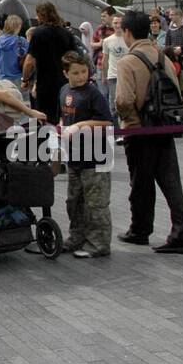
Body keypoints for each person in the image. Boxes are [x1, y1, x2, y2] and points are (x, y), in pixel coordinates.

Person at [116, 10, 183, 255]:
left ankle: (140, 230)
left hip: (140, 131)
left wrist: (129, 121)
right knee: (171, 183)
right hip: (164, 127)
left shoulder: (128, 61)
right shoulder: (161, 55)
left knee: (140, 183)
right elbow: (182, 91)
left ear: (127, 32)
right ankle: (181, 233)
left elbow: (124, 100)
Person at [58, 51, 113, 258]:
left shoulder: (93, 93)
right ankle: (77, 237)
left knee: (96, 204)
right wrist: (62, 127)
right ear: (66, 74)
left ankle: (98, 244)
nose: (81, 76)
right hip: (74, 157)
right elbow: (63, 117)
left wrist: (81, 125)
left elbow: (107, 121)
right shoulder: (64, 91)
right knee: (75, 201)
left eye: (84, 71)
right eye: (76, 73)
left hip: (95, 158)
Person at [20, 2, 74, 124]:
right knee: (63, 116)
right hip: (64, 82)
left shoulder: (38, 33)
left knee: (44, 118)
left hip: (45, 83)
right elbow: (74, 57)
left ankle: (47, 140)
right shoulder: (66, 33)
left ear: (41, 15)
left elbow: (29, 61)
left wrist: (25, 79)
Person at [99, 15, 127, 129]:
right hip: (113, 75)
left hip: (126, 75)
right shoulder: (107, 41)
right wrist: (104, 75)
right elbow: (105, 59)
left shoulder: (128, 38)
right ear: (112, 24)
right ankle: (117, 130)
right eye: (115, 23)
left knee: (127, 102)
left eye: (120, 23)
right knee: (114, 104)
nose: (118, 25)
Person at [0, 14, 30, 85]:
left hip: (3, 78)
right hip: (20, 77)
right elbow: (28, 60)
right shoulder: (22, 41)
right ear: (18, 26)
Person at [91, 7, 115, 75]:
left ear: (112, 16)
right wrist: (100, 44)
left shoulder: (119, 30)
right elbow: (92, 44)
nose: (102, 18)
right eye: (101, 16)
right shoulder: (100, 29)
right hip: (100, 65)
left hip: (115, 66)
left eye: (104, 16)